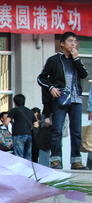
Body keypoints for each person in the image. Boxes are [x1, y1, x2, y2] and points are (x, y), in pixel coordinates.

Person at [37, 31, 90, 170]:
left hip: (76, 100)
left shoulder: (76, 59)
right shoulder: (54, 60)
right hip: (60, 99)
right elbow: (41, 78)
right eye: (70, 41)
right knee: (57, 130)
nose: (73, 44)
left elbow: (84, 74)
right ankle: (55, 160)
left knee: (76, 131)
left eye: (75, 42)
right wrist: (51, 88)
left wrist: (76, 59)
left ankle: (76, 161)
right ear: (62, 43)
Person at [8, 94, 36, 160]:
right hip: (29, 135)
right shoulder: (30, 111)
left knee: (18, 156)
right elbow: (36, 124)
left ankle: (19, 167)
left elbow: (6, 122)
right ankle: (27, 167)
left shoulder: (14, 110)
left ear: (14, 102)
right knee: (28, 156)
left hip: (19, 134)